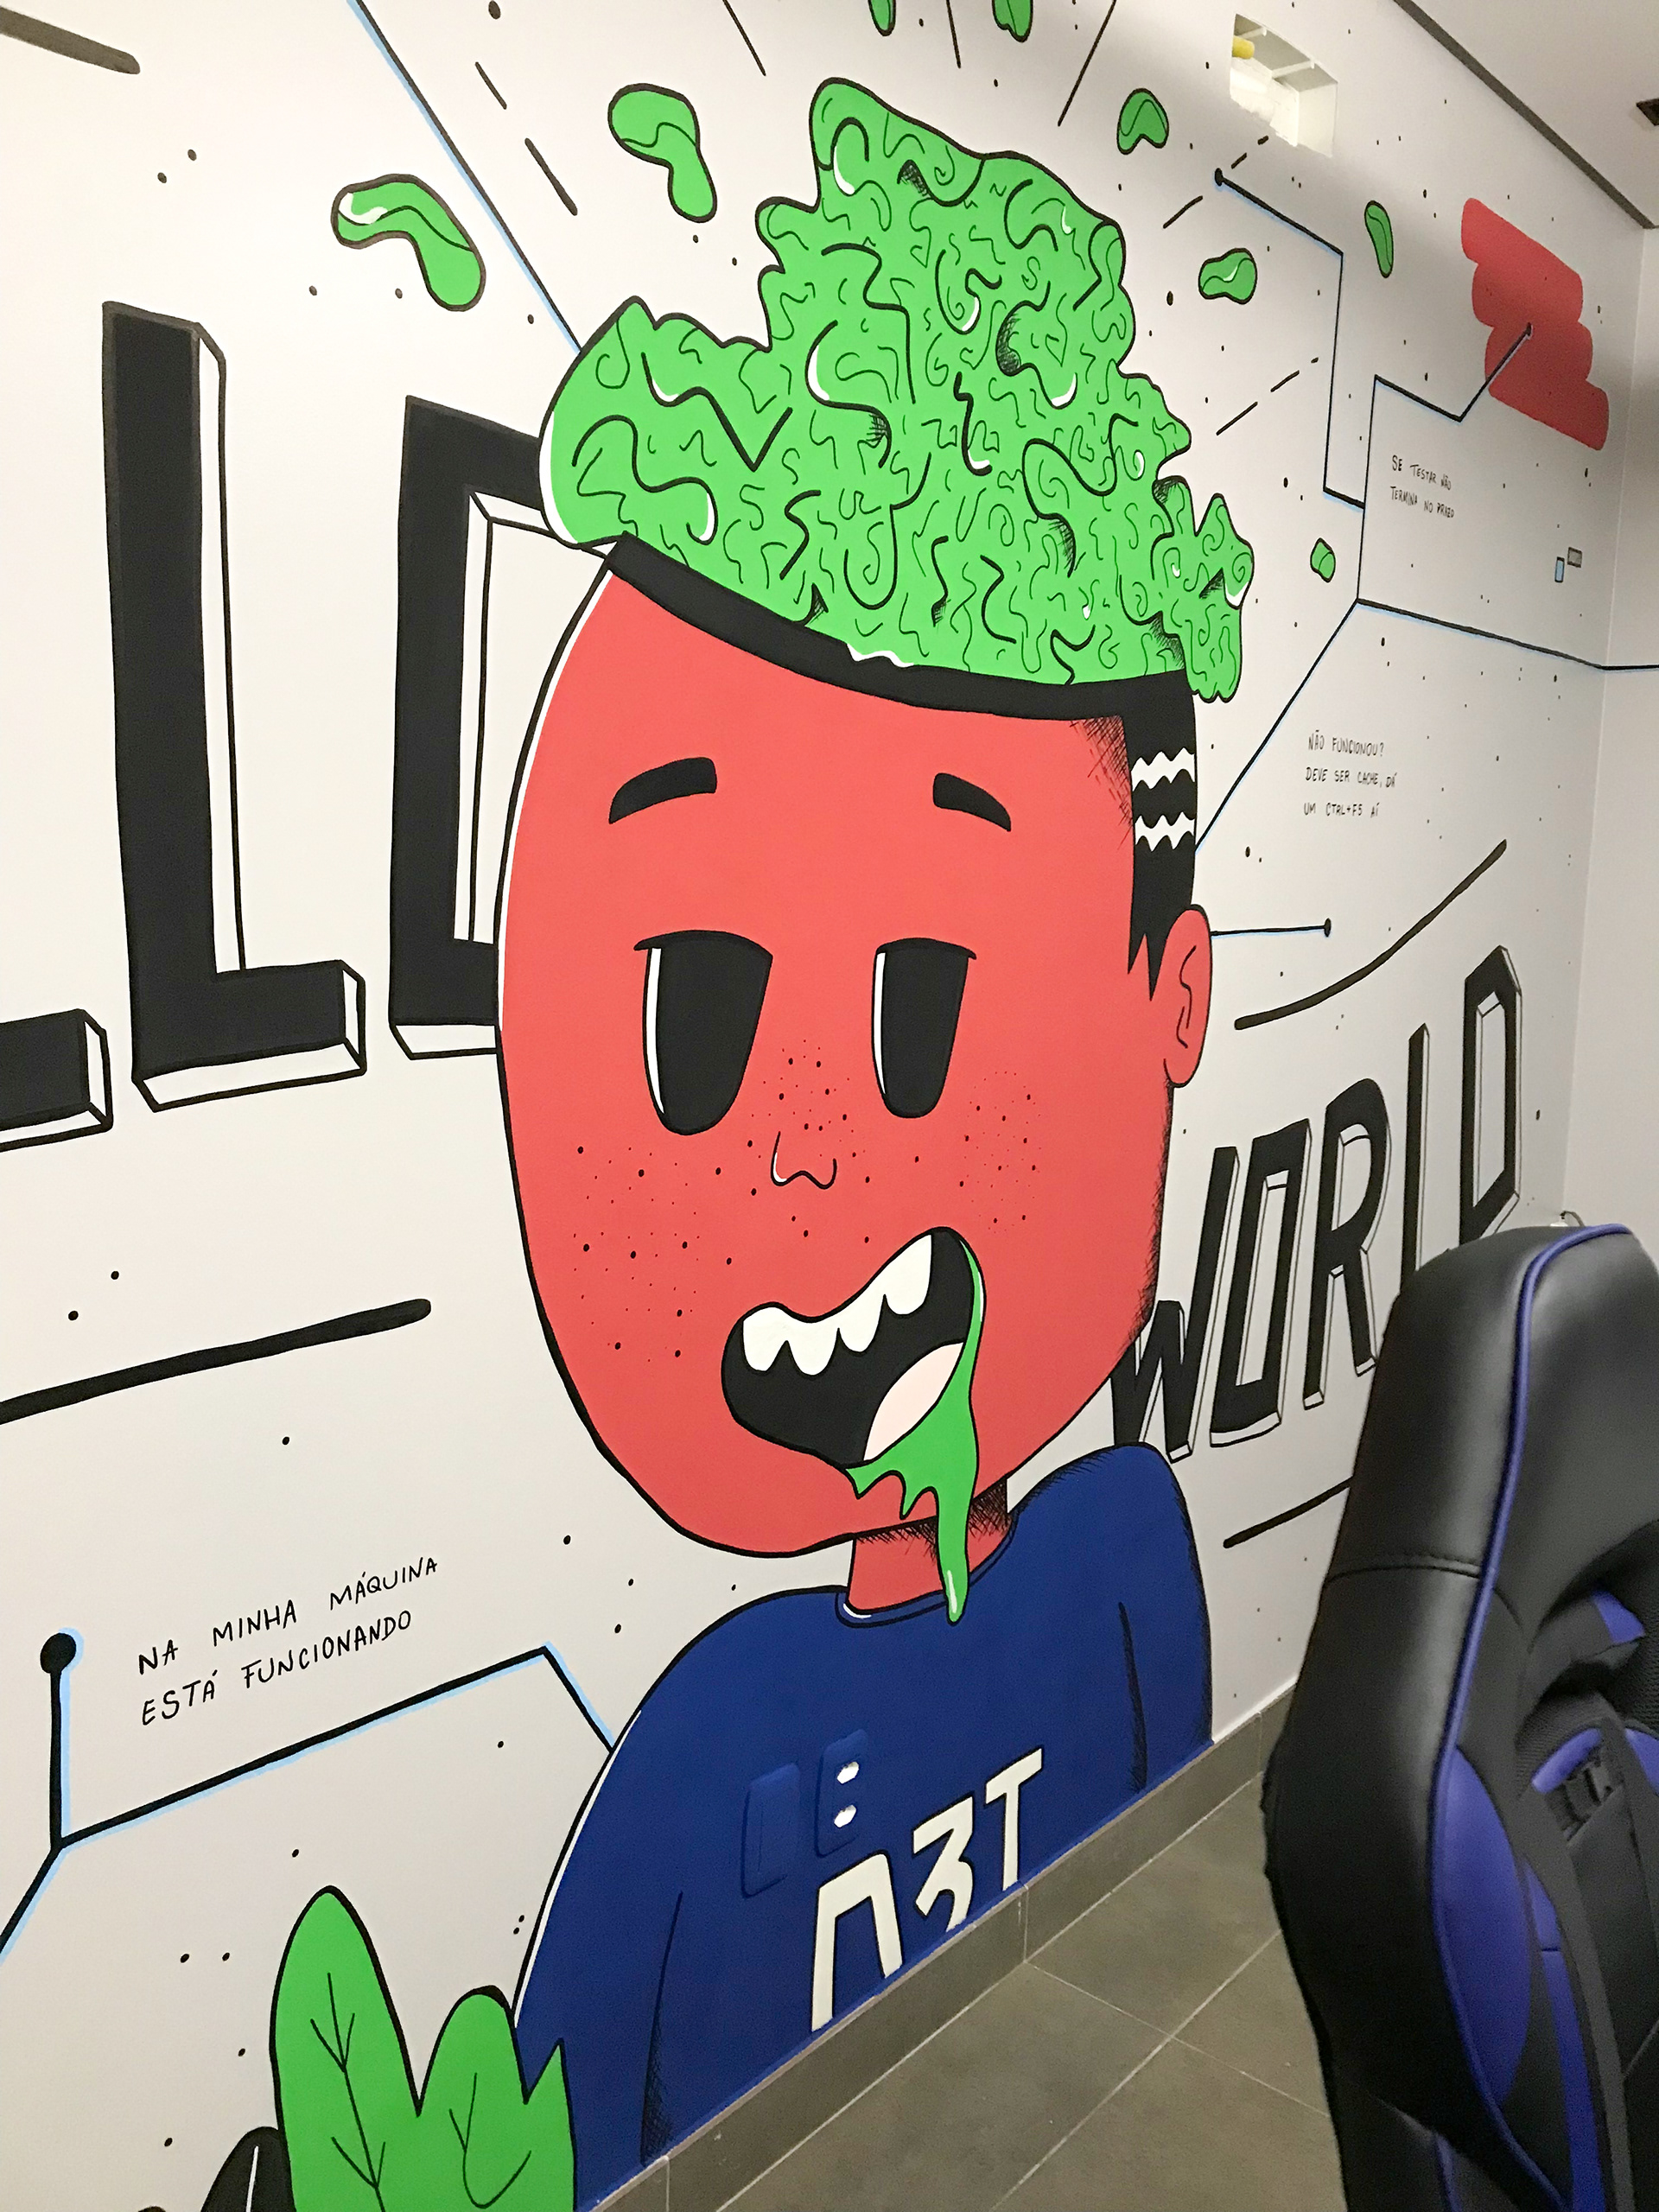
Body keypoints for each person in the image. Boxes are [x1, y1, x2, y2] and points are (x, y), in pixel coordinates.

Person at [498, 81, 1251, 2207]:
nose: (811, 1154)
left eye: (930, 1007)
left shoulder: (1126, 1558)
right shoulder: (704, 1750)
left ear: (1170, 996)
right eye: (695, 1012)